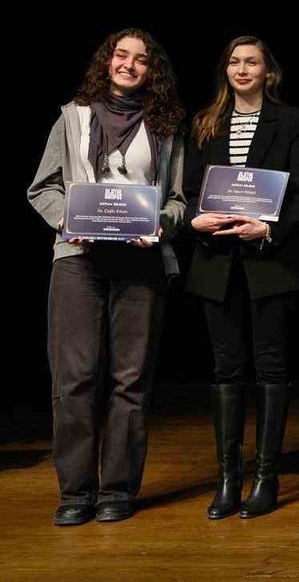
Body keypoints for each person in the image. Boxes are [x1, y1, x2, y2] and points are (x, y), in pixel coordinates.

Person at [29, 28, 187, 525]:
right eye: (121, 55)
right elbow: (42, 187)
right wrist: (66, 219)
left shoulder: (165, 124)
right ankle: (76, 492)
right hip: (78, 261)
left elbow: (178, 199)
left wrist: (160, 224)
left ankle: (117, 489)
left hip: (140, 263)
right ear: (107, 61)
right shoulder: (72, 116)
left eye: (141, 59)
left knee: (130, 381)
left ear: (152, 71)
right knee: (73, 379)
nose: (129, 65)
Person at [184, 35, 299, 519]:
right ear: (225, 70)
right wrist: (195, 220)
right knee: (226, 370)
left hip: (271, 263)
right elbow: (189, 190)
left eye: (252, 62)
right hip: (216, 262)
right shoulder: (205, 121)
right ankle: (229, 480)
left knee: (271, 369)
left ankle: (266, 478)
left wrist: (269, 228)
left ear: (269, 71)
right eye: (234, 62)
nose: (242, 70)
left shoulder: (292, 120)